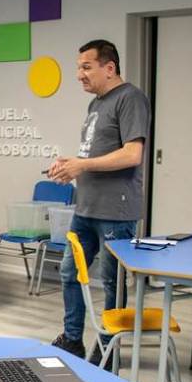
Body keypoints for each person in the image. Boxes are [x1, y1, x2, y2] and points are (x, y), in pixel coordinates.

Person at [47, 39, 150, 362]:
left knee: (111, 283)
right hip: (86, 208)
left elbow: (132, 155)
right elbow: (94, 154)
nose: (79, 74)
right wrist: (70, 165)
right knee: (69, 273)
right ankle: (72, 339)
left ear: (109, 68)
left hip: (115, 212)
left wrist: (82, 165)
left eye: (86, 67)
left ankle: (108, 351)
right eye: (78, 67)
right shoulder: (95, 103)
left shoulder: (130, 98)